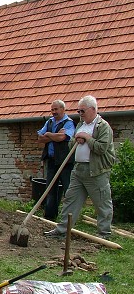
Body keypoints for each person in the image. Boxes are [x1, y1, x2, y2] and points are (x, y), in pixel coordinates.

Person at [44, 95, 116, 239]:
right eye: (79, 112)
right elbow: (72, 146)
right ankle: (62, 230)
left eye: (82, 111)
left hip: (96, 171)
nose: (80, 114)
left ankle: (104, 234)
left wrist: (88, 138)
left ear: (93, 109)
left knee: (102, 203)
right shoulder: (80, 125)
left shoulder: (103, 126)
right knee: (70, 200)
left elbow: (101, 148)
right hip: (78, 170)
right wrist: (76, 138)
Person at [37, 100, 76, 220]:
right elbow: (40, 138)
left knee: (67, 189)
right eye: (52, 110)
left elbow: (63, 137)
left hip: (65, 162)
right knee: (51, 188)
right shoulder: (49, 122)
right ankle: (50, 216)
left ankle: (69, 218)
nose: (54, 112)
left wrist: (48, 134)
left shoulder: (68, 123)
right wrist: (53, 135)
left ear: (63, 109)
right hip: (52, 161)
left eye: (56, 109)